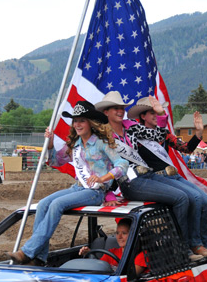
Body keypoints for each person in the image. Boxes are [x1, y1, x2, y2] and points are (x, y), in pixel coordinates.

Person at [9, 101, 129, 266]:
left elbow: (122, 165)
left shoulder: (101, 143)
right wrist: (50, 144)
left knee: (57, 204)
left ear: (90, 123)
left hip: (95, 192)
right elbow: (56, 161)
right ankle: (39, 258)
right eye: (75, 121)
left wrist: (103, 178)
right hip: (78, 187)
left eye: (81, 120)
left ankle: (28, 252)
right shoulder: (74, 145)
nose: (77, 124)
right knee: (43, 204)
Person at [94, 91, 204, 258]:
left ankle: (189, 244)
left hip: (149, 175)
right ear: (106, 112)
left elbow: (159, 135)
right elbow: (101, 167)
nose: (119, 111)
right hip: (131, 182)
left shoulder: (131, 127)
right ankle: (182, 250)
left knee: (189, 197)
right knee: (181, 198)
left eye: (121, 108)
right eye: (115, 108)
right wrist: (108, 194)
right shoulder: (101, 137)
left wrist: (160, 114)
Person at [126, 96, 207, 257]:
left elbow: (186, 148)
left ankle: (203, 243)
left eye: (157, 113)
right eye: (151, 113)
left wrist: (199, 133)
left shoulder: (164, 134)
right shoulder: (136, 137)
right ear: (143, 116)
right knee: (194, 198)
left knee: (206, 201)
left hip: (174, 176)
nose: (155, 115)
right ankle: (193, 245)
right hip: (158, 179)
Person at [78, 218, 147, 275]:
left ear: (133, 235)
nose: (119, 237)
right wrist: (90, 254)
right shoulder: (112, 252)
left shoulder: (142, 256)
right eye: (117, 233)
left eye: (124, 233)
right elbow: (99, 267)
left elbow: (129, 277)